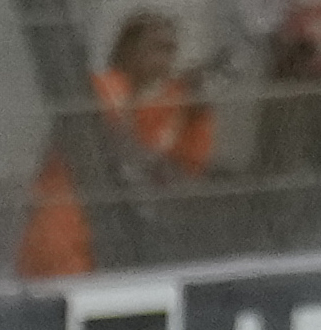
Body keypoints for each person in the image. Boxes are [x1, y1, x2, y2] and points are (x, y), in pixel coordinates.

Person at [15, 13, 218, 281]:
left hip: (118, 243)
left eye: (171, 50)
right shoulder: (100, 87)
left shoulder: (170, 105)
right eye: (157, 48)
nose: (166, 60)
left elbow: (184, 178)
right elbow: (120, 148)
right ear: (128, 50)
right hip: (64, 229)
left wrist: (197, 114)